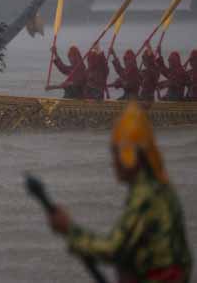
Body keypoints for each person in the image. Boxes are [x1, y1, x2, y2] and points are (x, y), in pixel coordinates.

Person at [46, 103, 192, 283]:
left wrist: (69, 230)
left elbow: (113, 249)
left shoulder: (146, 195)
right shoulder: (162, 188)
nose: (113, 163)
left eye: (116, 155)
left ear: (132, 158)